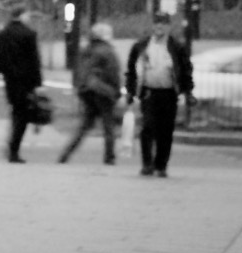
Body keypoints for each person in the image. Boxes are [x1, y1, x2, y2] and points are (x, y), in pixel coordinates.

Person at [125, 11, 193, 178]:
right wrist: (130, 91)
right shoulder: (141, 45)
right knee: (148, 127)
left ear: (169, 26)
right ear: (152, 26)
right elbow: (131, 70)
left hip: (169, 93)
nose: (159, 26)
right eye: (157, 23)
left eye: (163, 23)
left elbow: (185, 70)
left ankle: (161, 165)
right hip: (149, 92)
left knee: (166, 130)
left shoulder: (176, 47)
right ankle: (147, 164)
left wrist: (188, 91)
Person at [58, 22, 121, 165]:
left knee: (84, 126)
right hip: (104, 91)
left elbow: (78, 70)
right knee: (108, 126)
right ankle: (109, 157)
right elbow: (113, 74)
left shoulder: (86, 50)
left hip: (87, 91)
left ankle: (66, 153)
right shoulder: (108, 51)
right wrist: (116, 93)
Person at [0, 6, 41, 164]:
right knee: (22, 116)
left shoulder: (1, 35)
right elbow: (34, 62)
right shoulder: (29, 34)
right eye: (28, 15)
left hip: (10, 81)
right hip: (26, 82)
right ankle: (13, 150)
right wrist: (38, 83)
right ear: (22, 16)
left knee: (16, 112)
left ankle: (11, 146)